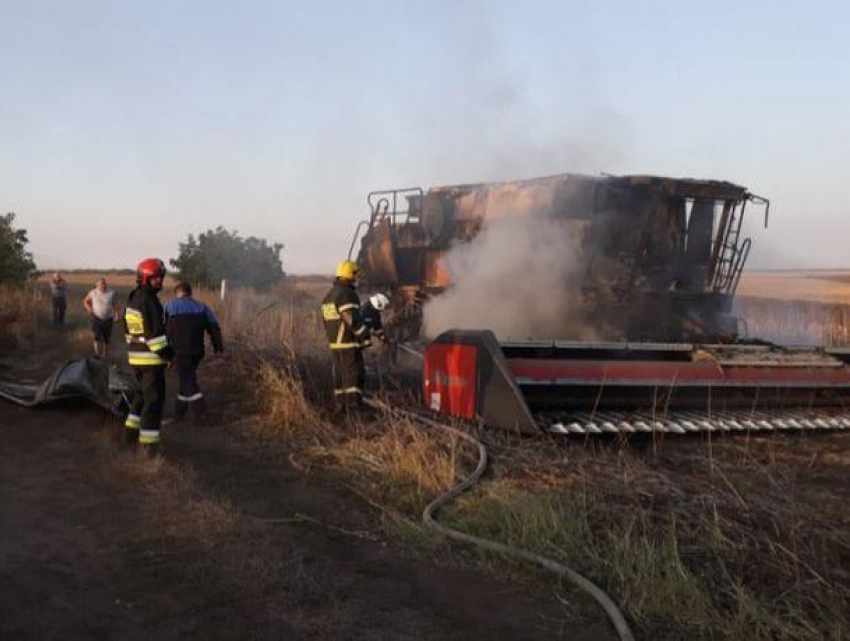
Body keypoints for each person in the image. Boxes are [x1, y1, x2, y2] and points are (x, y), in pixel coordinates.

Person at [123, 258, 173, 455]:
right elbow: (156, 337)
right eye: (155, 279)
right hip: (151, 361)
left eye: (161, 278)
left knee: (140, 399)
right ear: (144, 278)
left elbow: (127, 330)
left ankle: (129, 437)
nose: (159, 282)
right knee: (153, 403)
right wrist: (169, 355)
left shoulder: (133, 298)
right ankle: (149, 448)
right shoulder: (150, 301)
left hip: (136, 359)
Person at [165, 281, 223, 421]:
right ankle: (179, 413)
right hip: (197, 352)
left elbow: (161, 329)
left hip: (178, 351)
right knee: (186, 379)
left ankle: (202, 413)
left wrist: (165, 354)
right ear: (190, 293)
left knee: (188, 381)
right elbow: (214, 326)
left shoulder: (169, 306)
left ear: (177, 293)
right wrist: (217, 345)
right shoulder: (202, 307)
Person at [321, 260, 370, 415]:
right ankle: (354, 410)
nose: (357, 277)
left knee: (340, 375)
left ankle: (340, 407)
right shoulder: (347, 294)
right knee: (354, 375)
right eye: (355, 274)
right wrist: (364, 335)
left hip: (335, 344)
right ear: (350, 275)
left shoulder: (328, 296)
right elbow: (351, 319)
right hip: (348, 343)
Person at [83, 278, 118, 359]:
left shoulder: (111, 292)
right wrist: (89, 308)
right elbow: (85, 301)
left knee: (107, 339)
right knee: (97, 336)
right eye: (101, 284)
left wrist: (116, 314)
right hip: (96, 318)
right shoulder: (93, 292)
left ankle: (105, 356)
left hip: (108, 318)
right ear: (97, 285)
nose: (103, 286)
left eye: (104, 284)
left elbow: (114, 304)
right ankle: (97, 355)